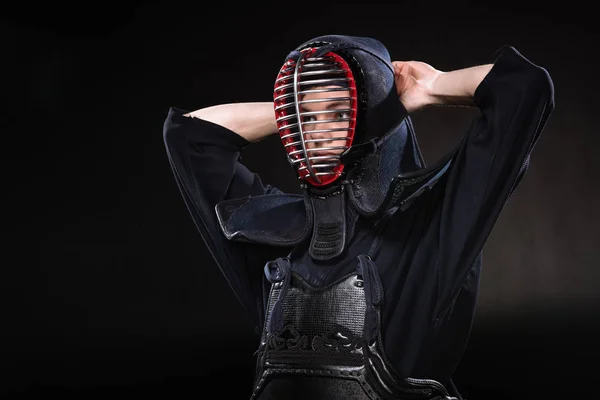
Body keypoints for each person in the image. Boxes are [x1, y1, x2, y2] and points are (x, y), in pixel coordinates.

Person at [162, 34, 554, 399]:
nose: (315, 134)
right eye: (307, 120)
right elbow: (191, 136)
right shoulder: (272, 237)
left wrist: (426, 86)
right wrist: (294, 109)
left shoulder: (433, 224)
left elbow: (522, 88)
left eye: (336, 113)